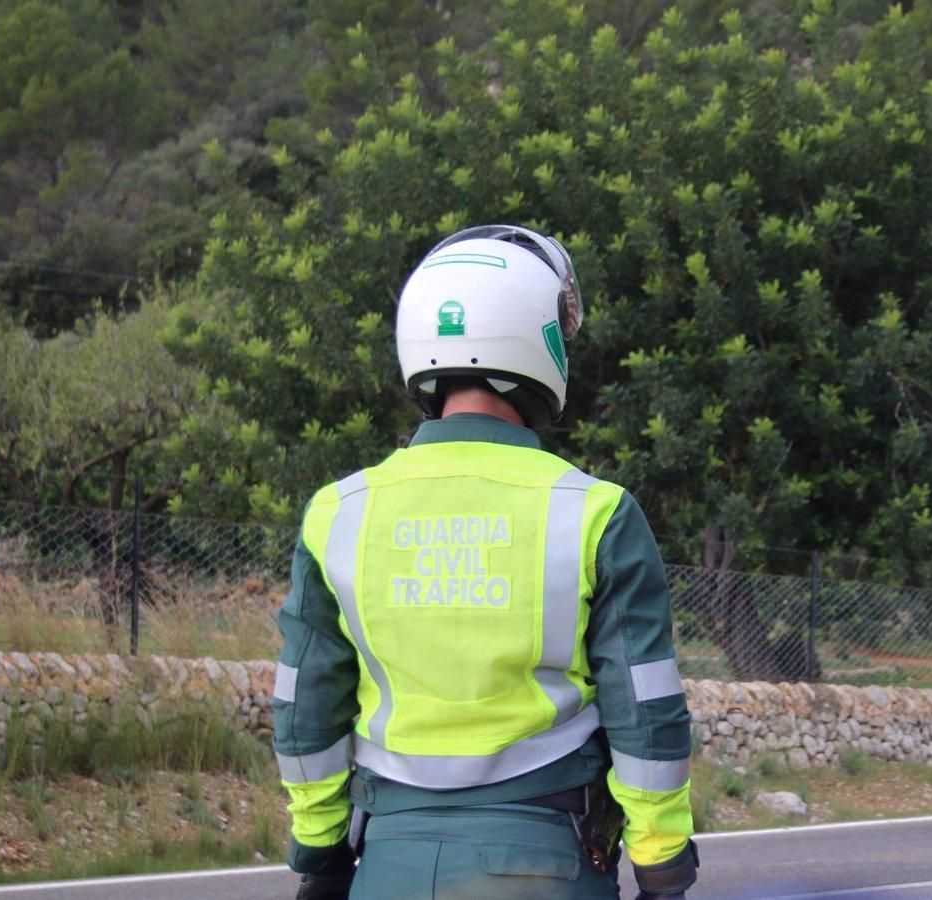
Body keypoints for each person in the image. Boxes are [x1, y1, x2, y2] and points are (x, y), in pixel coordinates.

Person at [272, 225, 698, 899]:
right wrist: (662, 863)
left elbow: (305, 706)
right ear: (539, 340)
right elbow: (645, 710)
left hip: (387, 865)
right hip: (546, 863)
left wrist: (319, 854)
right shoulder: (595, 512)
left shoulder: (338, 513)